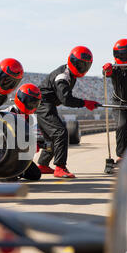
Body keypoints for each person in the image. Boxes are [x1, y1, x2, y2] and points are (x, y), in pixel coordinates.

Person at [36, 46, 99, 178]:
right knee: (60, 132)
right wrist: (85, 103)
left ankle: (42, 164)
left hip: (47, 104)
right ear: (72, 61)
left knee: (52, 136)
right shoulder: (63, 77)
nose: (83, 68)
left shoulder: (70, 74)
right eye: (80, 64)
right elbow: (66, 99)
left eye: (85, 65)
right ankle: (60, 167)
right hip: (43, 104)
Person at [5, 83, 43, 181]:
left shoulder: (29, 119)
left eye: (35, 103)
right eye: (30, 102)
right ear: (22, 99)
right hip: (2, 152)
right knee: (10, 178)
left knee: (35, 174)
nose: (32, 105)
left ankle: (15, 171)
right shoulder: (8, 113)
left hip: (17, 154)